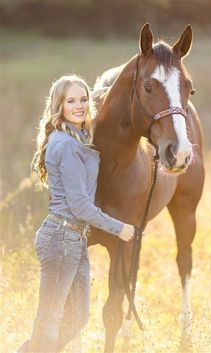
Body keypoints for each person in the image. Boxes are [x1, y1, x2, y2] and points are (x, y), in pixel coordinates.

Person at [16, 74, 135, 353]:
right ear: (60, 105)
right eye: (71, 101)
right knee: (50, 317)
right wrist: (119, 228)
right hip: (60, 237)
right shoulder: (67, 144)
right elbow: (80, 205)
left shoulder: (77, 136)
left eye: (83, 99)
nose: (79, 106)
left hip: (75, 239)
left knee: (78, 317)